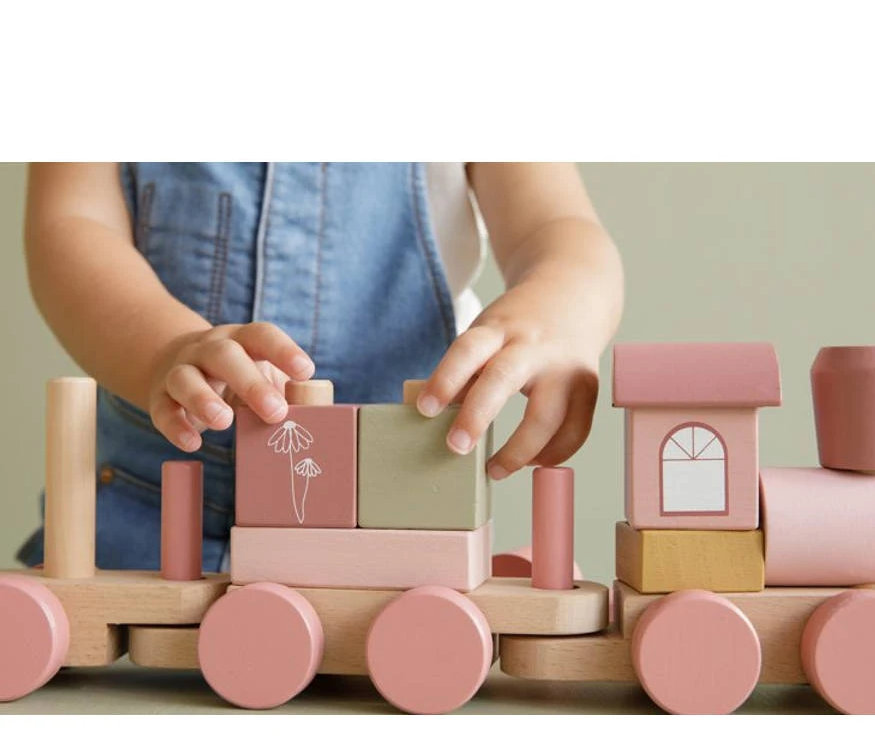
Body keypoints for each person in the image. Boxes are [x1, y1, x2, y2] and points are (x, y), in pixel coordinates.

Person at [19, 163, 623, 571]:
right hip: (135, 538)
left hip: (396, 549)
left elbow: (559, 228)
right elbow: (71, 225)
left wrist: (559, 310)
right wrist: (164, 349)